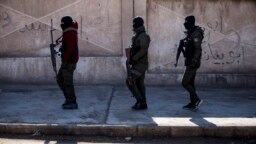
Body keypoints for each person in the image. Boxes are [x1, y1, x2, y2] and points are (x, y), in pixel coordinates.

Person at [176, 15, 204, 110]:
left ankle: (196, 100)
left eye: (187, 22)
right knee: (190, 83)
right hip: (189, 60)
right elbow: (191, 45)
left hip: (193, 62)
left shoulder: (196, 33)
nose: (185, 23)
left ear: (191, 22)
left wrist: (194, 60)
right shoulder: (191, 33)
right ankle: (193, 103)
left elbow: (198, 49)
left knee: (185, 82)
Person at [53, 16, 79, 109]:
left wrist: (65, 61)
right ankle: (69, 98)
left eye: (63, 24)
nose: (61, 25)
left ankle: (72, 101)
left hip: (69, 62)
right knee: (60, 79)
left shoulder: (71, 33)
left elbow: (71, 49)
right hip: (67, 61)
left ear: (66, 24)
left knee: (67, 82)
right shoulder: (68, 31)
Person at [126, 16, 151, 110]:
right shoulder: (137, 35)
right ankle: (143, 104)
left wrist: (134, 59)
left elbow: (143, 50)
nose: (133, 25)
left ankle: (140, 100)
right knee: (139, 83)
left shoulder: (144, 36)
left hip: (140, 65)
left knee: (129, 80)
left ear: (139, 24)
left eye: (134, 23)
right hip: (137, 64)